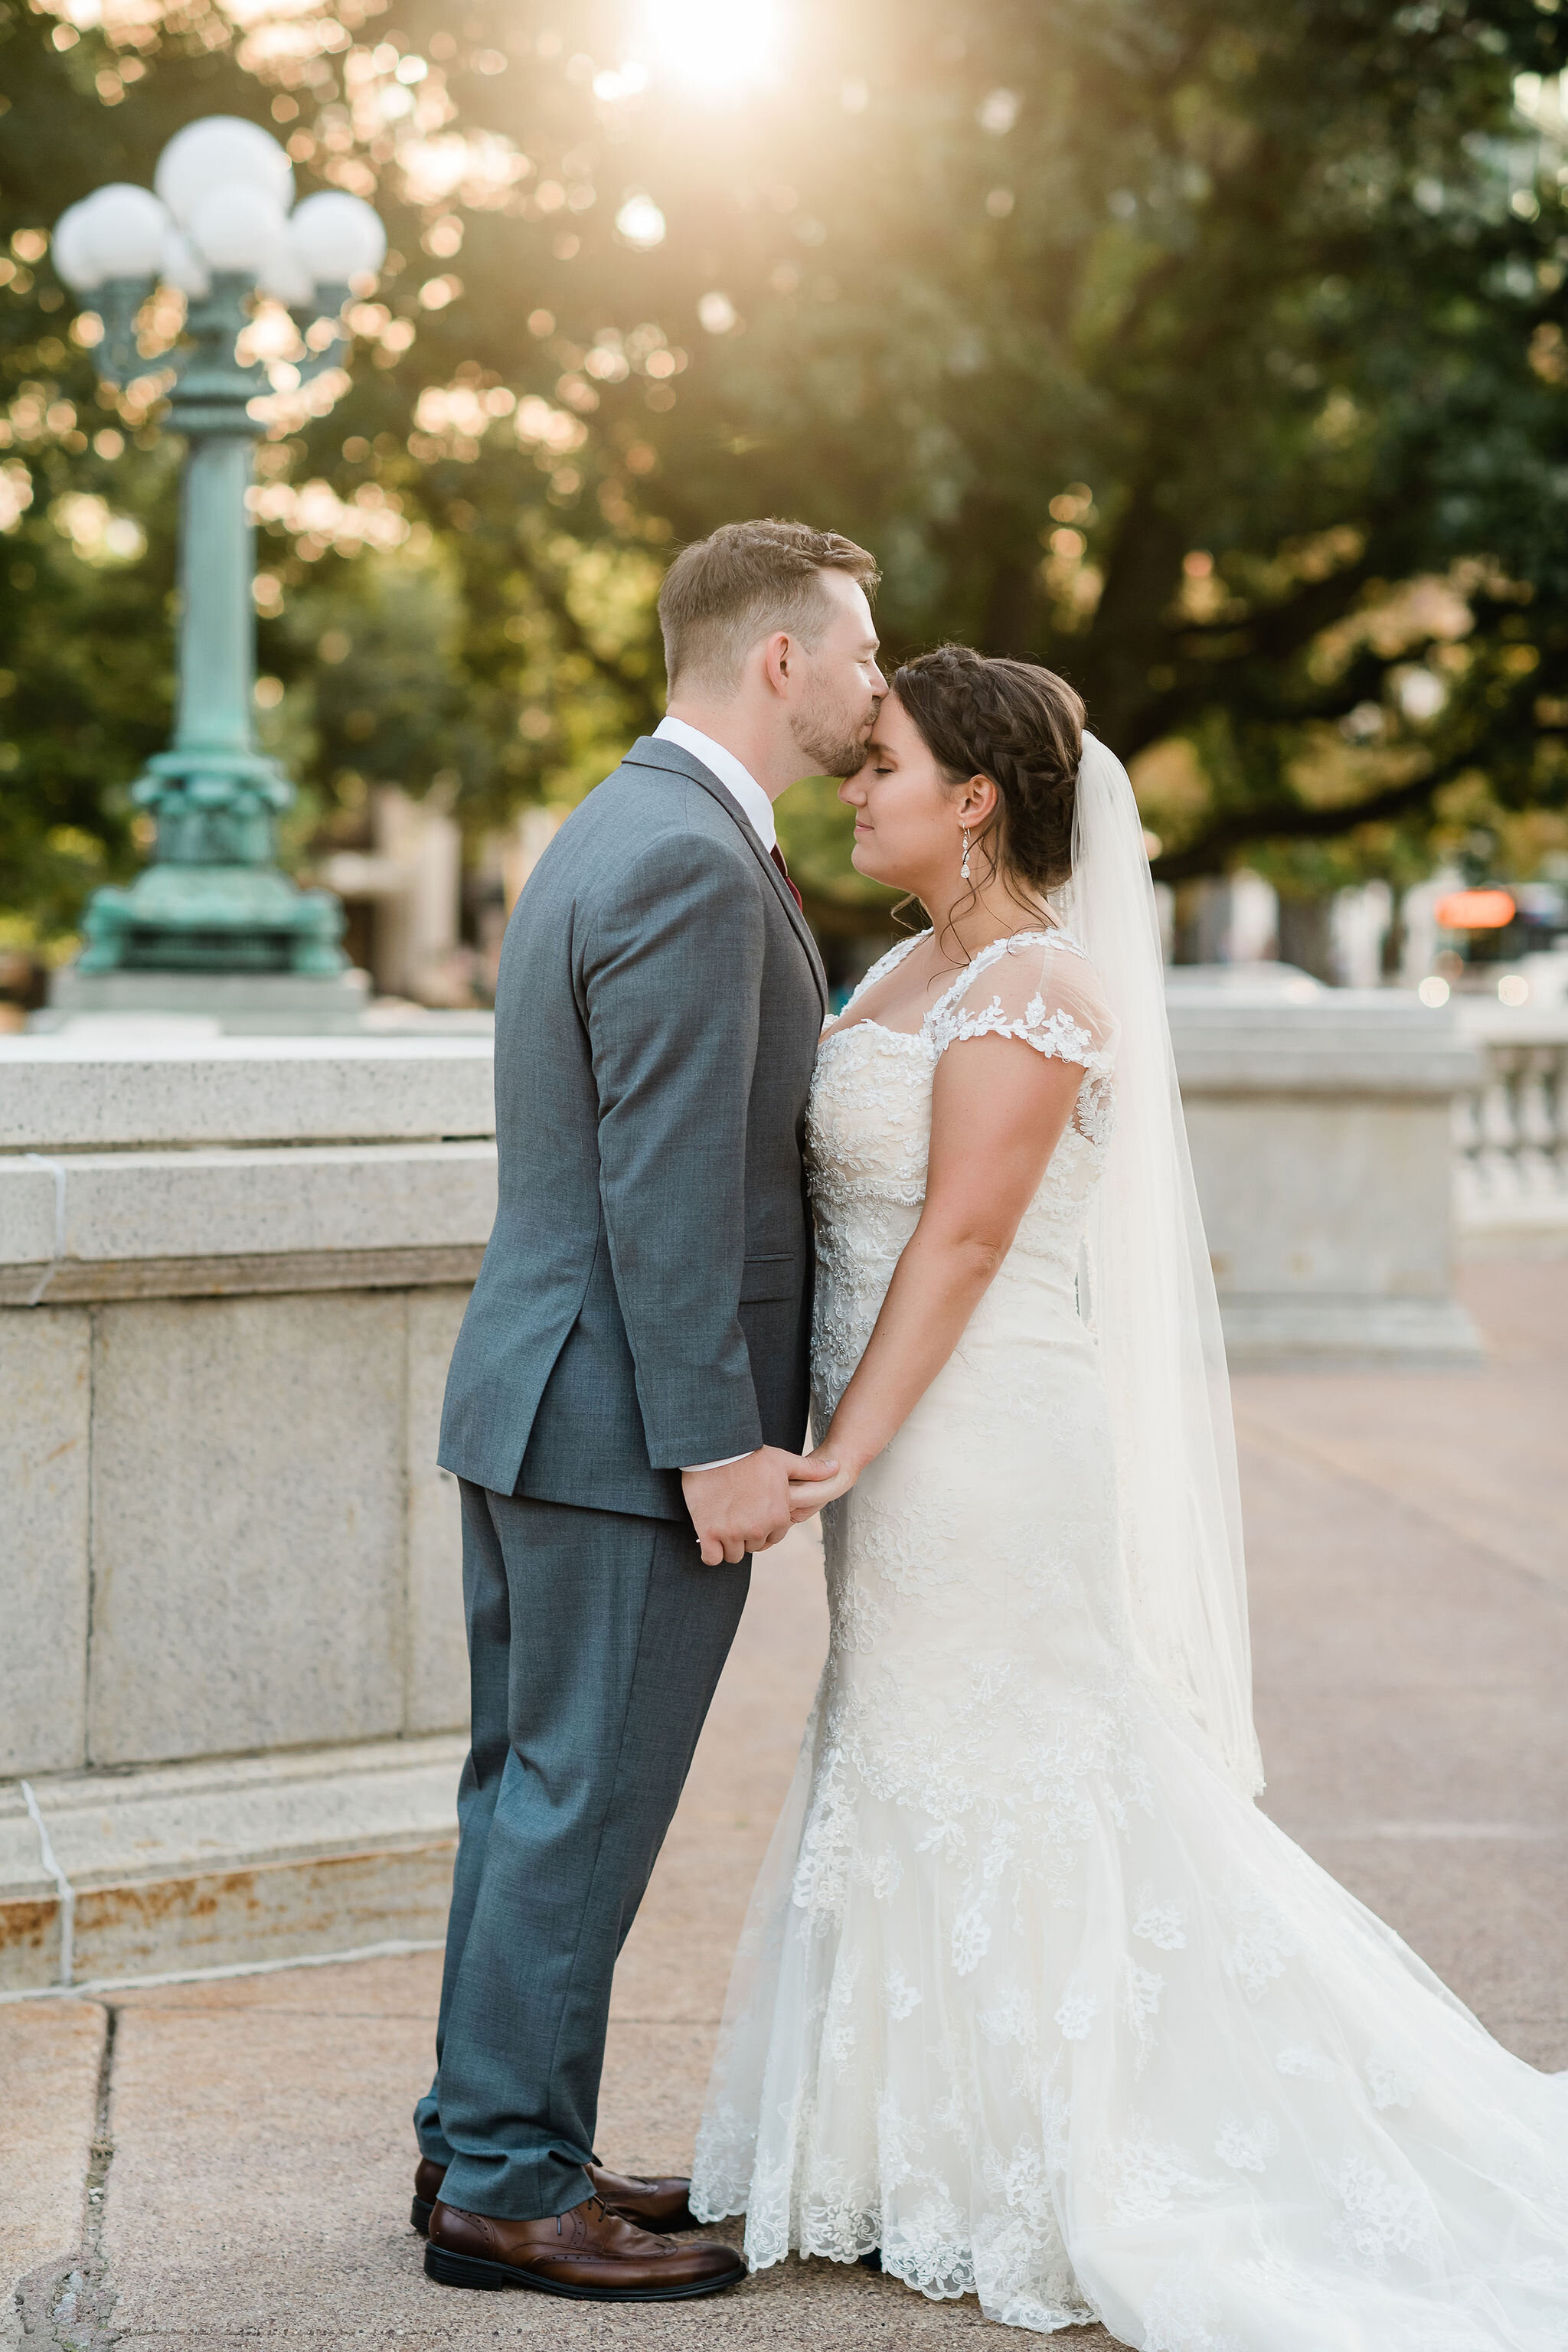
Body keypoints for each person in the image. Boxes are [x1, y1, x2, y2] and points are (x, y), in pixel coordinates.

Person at [691, 644, 1568, 2344]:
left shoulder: (1035, 988)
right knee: (904, 1755)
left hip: (983, 1441)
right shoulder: (888, 979)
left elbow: (960, 1238)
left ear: (975, 799)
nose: (851, 787)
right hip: (895, 1437)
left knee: (1014, 1763)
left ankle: (1059, 2148)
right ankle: (918, 2152)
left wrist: (852, 1443)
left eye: (881, 765)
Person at [413, 518, 885, 2301]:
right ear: (778, 659)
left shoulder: (627, 822)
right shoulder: (690, 857)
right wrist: (718, 1446)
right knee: (576, 1805)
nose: (870, 686)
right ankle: (509, 2189)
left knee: (526, 1796)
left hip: (542, 1399)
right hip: (621, 1426)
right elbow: (669, 1193)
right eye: (855, 651)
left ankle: (484, 2136)